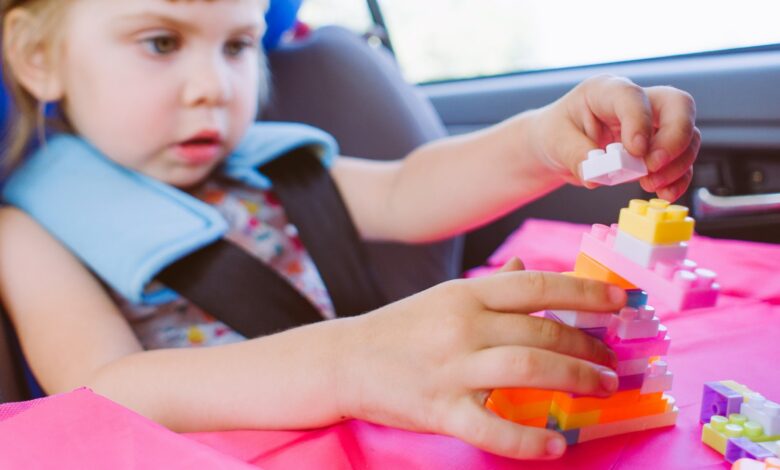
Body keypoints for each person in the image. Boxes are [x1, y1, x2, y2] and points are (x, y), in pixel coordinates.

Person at [0, 0, 700, 460]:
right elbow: (100, 388)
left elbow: (408, 190)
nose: (212, 85)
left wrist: (539, 146)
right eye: (161, 42)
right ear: (38, 56)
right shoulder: (31, 229)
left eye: (238, 46)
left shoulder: (271, 170)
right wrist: (348, 361)